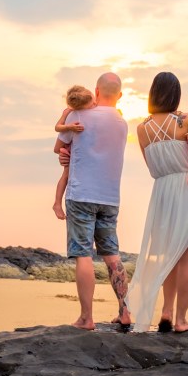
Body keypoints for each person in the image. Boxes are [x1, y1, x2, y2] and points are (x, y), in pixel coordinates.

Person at [127, 72, 188, 333]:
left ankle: (165, 311)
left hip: (162, 191)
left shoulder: (142, 129)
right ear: (176, 94)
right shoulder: (185, 119)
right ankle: (181, 319)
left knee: (168, 254)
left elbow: (151, 167)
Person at [57, 72, 131, 331]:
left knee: (83, 254)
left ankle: (87, 318)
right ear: (119, 95)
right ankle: (125, 312)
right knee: (112, 253)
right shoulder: (123, 123)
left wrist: (65, 154)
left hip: (81, 194)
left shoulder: (77, 115)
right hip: (110, 197)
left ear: (96, 91)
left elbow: (60, 146)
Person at [52, 85, 95, 220]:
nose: (94, 104)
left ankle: (57, 203)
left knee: (66, 173)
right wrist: (69, 126)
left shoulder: (90, 105)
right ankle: (57, 203)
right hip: (69, 147)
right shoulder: (70, 114)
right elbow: (57, 128)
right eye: (91, 104)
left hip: (73, 145)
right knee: (66, 174)